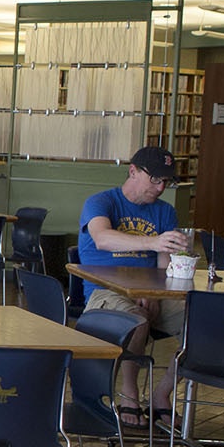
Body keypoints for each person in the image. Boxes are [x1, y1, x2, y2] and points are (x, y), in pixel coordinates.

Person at [77, 145, 190, 431]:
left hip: (149, 292)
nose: (161, 187)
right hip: (104, 292)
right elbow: (102, 238)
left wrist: (156, 292)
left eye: (167, 181)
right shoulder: (101, 202)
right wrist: (152, 242)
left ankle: (162, 393)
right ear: (133, 171)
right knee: (135, 322)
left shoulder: (165, 212)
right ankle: (130, 392)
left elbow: (163, 268)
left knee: (202, 320)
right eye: (155, 179)